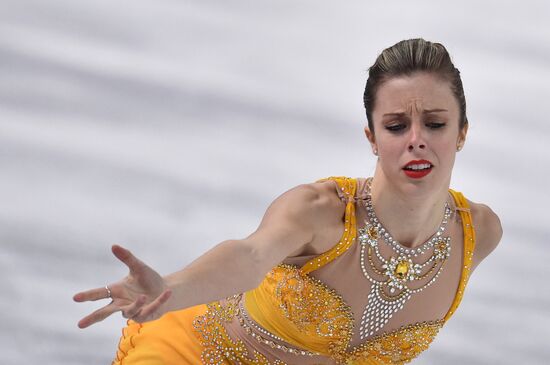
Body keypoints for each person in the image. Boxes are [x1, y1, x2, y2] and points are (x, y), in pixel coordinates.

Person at [74, 38, 503, 365]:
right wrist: (171, 288)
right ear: (372, 138)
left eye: (434, 124)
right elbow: (248, 255)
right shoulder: (322, 211)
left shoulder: (478, 234)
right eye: (395, 126)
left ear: (462, 132)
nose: (416, 141)